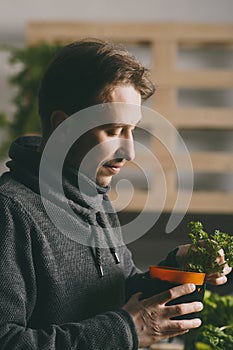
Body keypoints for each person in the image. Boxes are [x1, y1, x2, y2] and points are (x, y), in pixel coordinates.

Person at [0, 39, 231, 350]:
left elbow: (118, 293)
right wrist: (125, 332)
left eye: (132, 130)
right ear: (63, 127)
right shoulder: (10, 211)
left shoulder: (93, 194)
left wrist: (179, 266)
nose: (130, 151)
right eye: (112, 130)